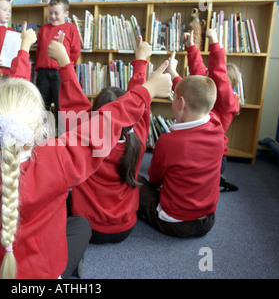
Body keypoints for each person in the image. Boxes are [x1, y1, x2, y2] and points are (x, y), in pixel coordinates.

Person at [0, 34, 171, 278]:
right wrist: (146, 90)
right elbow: (104, 124)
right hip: (43, 275)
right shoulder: (57, 160)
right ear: (41, 128)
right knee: (79, 227)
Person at [137, 27, 240, 238]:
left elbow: (155, 179)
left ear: (180, 102)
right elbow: (196, 93)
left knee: (135, 181)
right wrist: (175, 74)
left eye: (175, 97)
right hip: (208, 220)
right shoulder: (217, 126)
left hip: (175, 222)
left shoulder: (167, 141)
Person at [59, 35, 153, 244]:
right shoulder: (138, 134)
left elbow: (73, 101)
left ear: (94, 115)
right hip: (125, 228)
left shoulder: (85, 136)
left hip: (88, 229)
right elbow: (140, 102)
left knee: (58, 189)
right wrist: (140, 63)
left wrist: (65, 64)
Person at [183, 28, 241, 191]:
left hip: (213, 158)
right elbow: (199, 75)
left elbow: (219, 77)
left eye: (213, 77)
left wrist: (215, 43)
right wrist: (191, 47)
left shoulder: (227, 102)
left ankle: (212, 179)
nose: (209, 79)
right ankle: (210, 178)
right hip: (198, 150)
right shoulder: (208, 94)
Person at [35, 0, 81, 121]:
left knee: (62, 105)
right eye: (50, 13)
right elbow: (39, 50)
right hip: (43, 73)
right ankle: (43, 135)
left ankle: (62, 136)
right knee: (42, 106)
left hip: (60, 73)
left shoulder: (71, 28)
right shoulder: (43, 29)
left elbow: (75, 51)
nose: (53, 16)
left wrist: (67, 67)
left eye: (56, 13)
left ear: (66, 14)